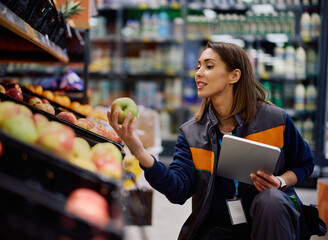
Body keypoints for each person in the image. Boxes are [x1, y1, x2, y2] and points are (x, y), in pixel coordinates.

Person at [108, 42, 315, 240]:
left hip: (271, 222)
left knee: (271, 200)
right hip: (220, 227)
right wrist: (137, 148)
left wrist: (280, 181)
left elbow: (304, 163)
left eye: (209, 66)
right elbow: (178, 190)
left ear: (234, 75)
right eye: (198, 66)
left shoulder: (275, 119)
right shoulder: (192, 133)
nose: (198, 73)